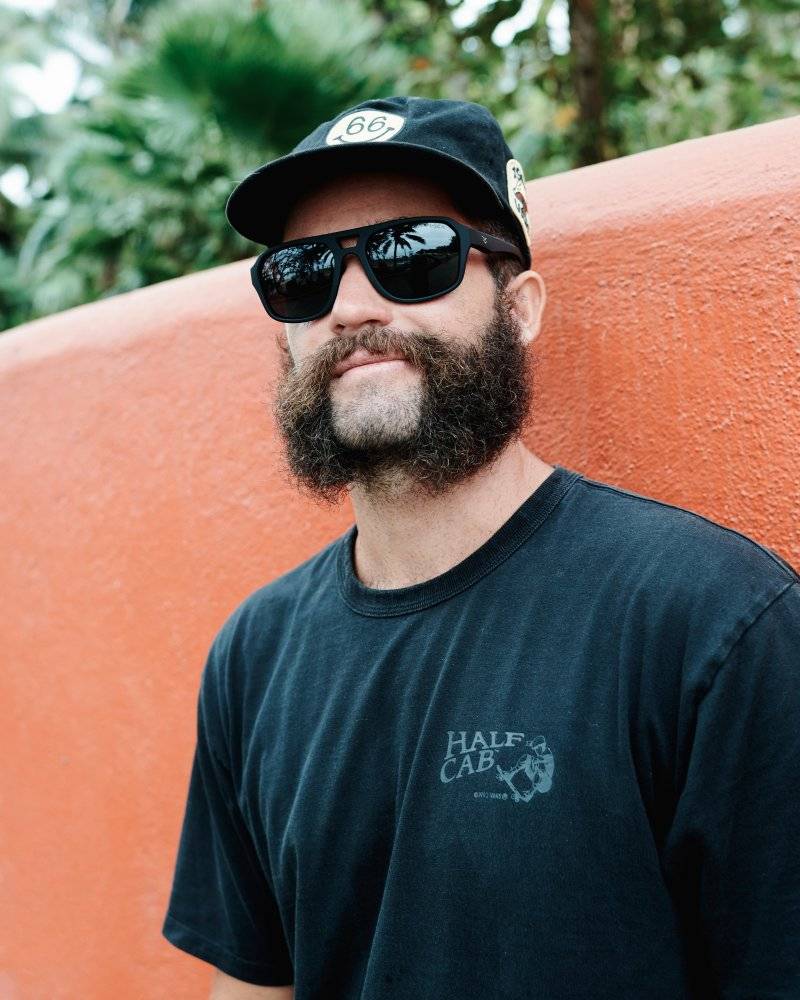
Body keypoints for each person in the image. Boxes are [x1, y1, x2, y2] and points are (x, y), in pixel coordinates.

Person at [162, 96, 800, 1000]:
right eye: (305, 273)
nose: (350, 306)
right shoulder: (253, 655)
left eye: (411, 254)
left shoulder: (713, 625)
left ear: (520, 306)